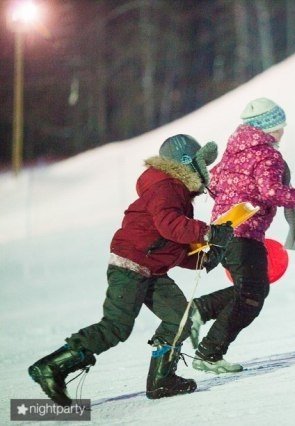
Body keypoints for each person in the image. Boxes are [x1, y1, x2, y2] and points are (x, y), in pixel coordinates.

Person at [28, 134, 234, 406]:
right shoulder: (166, 186)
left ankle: (162, 380)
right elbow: (170, 225)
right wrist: (209, 232)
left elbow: (171, 243)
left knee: (180, 318)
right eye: (200, 163)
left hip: (152, 269)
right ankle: (52, 367)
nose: (205, 170)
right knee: (116, 326)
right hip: (131, 266)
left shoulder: (177, 192)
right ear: (186, 164)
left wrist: (206, 257)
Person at [189, 98, 295, 374]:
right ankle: (209, 352)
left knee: (250, 290)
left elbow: (214, 185)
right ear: (269, 127)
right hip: (244, 234)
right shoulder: (267, 155)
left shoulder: (233, 152)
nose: (283, 131)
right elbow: (271, 191)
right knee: (252, 295)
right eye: (280, 125)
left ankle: (201, 312)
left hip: (222, 234)